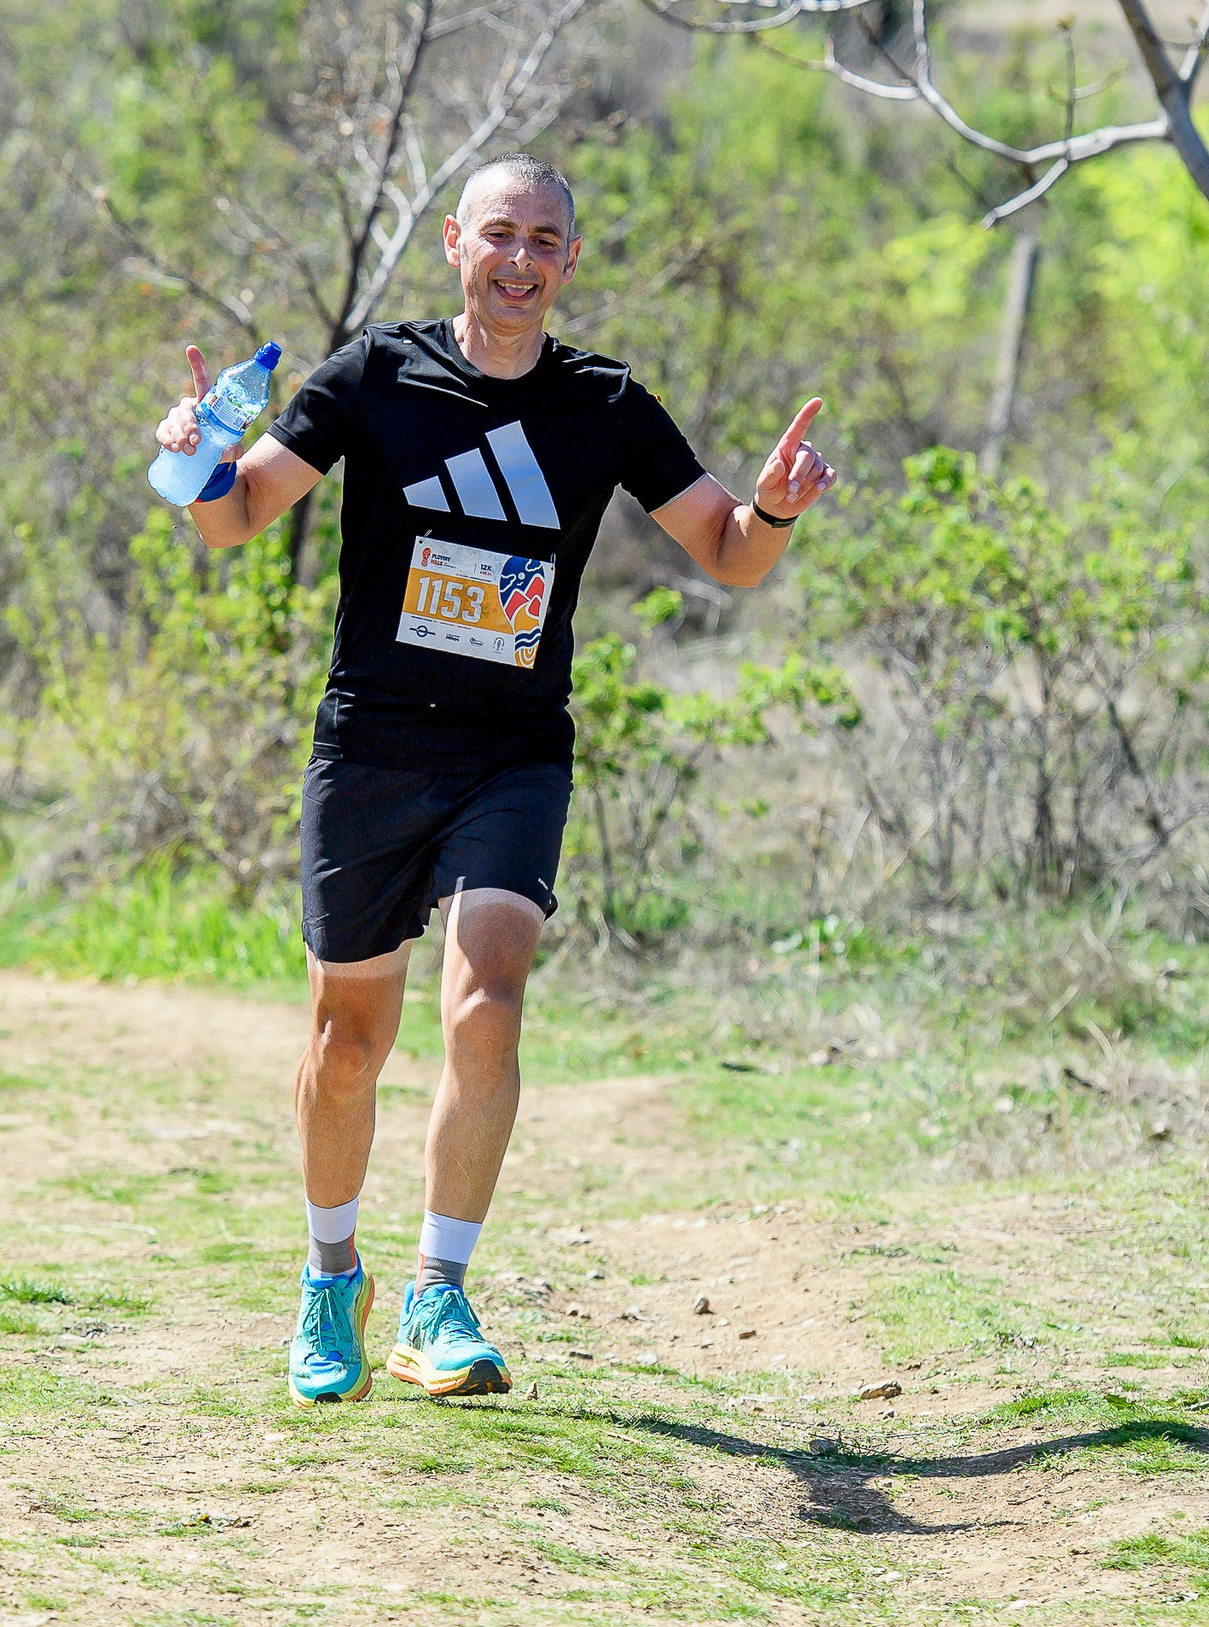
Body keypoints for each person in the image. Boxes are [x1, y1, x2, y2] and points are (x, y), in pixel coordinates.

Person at [149, 155, 837, 1404]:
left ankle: (438, 1293)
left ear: (570, 261)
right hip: (371, 746)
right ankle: (328, 1281)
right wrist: (200, 453)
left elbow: (727, 555)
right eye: (499, 234)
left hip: (511, 752)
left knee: (490, 998)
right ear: (457, 242)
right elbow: (234, 518)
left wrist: (776, 511)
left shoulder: (607, 404)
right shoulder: (373, 374)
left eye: (545, 240)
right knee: (346, 1041)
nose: (520, 258)